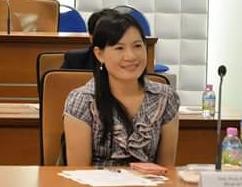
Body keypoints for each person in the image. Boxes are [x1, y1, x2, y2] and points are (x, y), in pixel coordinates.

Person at [63, 11, 180, 167]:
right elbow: (79, 172)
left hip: (150, 183)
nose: (130, 56)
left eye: (137, 46)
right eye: (119, 48)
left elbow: (166, 169)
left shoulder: (165, 97)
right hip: (97, 182)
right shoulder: (82, 101)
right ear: (99, 54)